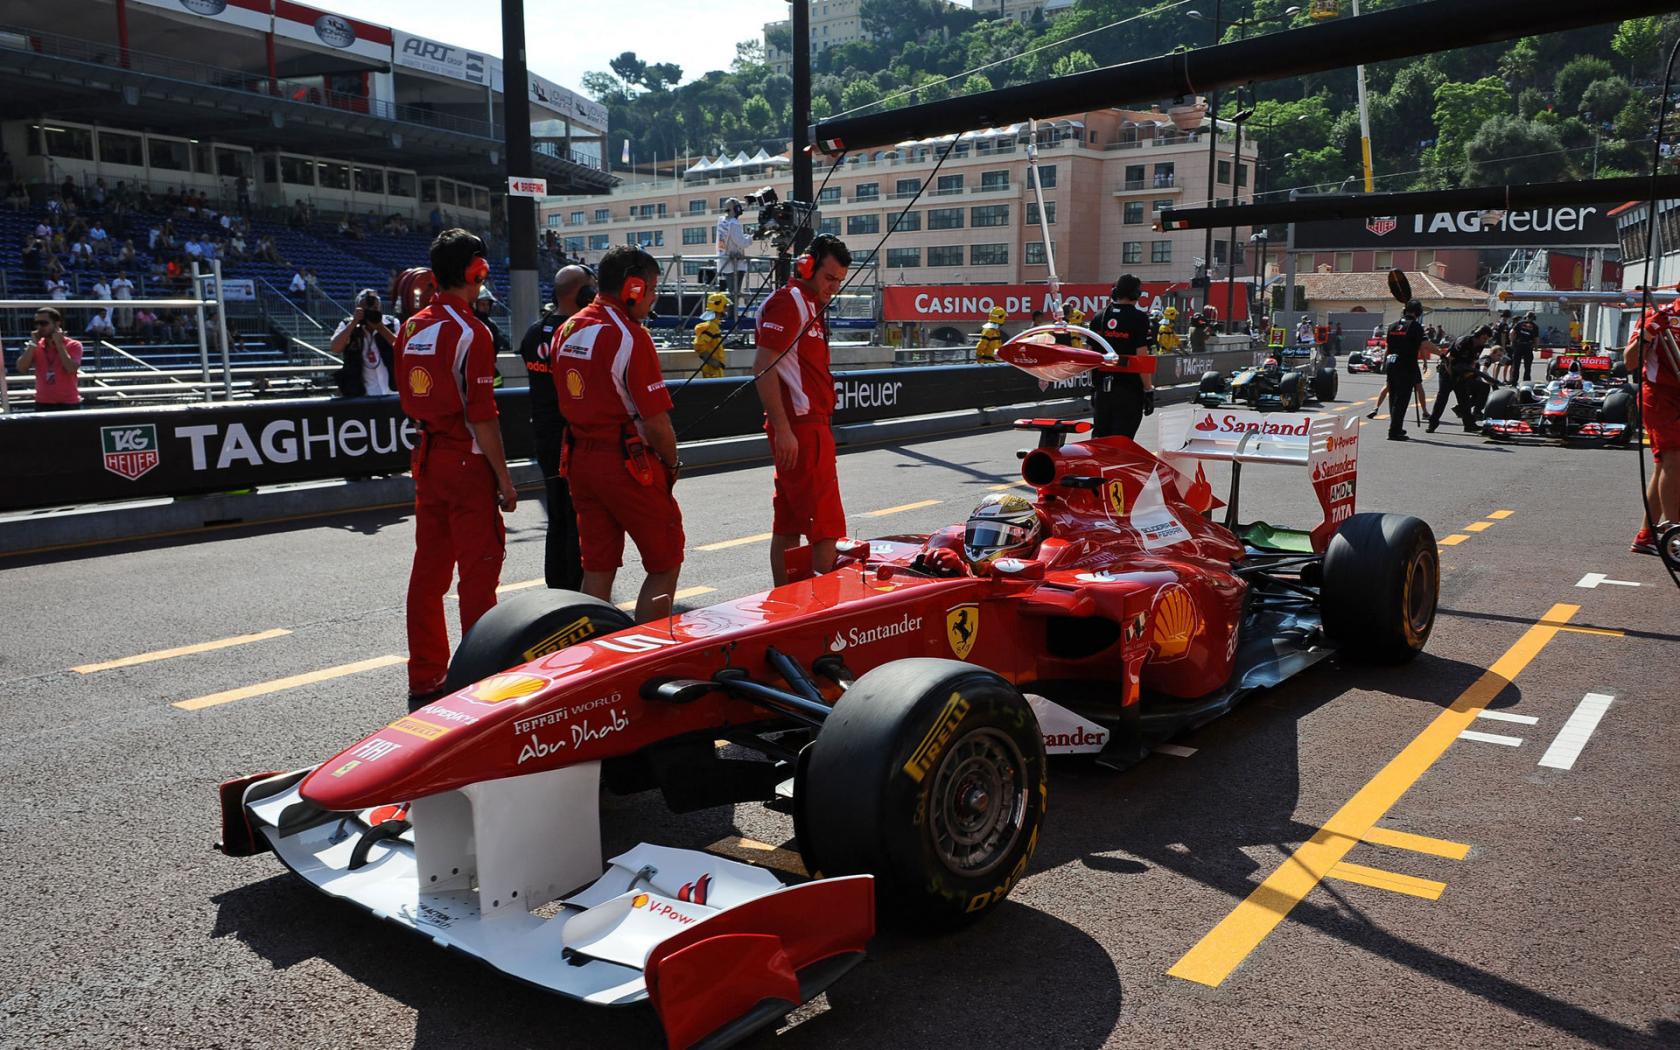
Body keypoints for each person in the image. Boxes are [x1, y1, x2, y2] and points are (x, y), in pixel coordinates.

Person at [396, 229, 518, 706]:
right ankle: (478, 678)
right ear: (476, 271)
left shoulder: (411, 327)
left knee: (428, 575)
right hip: (467, 462)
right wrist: (504, 479)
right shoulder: (472, 331)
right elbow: (482, 416)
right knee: (478, 575)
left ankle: (426, 676)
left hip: (428, 458)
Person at [552, 246, 684, 621]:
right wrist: (672, 463)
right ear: (633, 288)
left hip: (580, 461)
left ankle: (591, 649)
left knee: (597, 567)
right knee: (665, 561)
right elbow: (657, 423)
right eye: (652, 289)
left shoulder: (567, 328)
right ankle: (652, 649)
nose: (653, 298)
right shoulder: (630, 336)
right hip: (626, 464)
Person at [755, 233, 852, 586]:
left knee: (788, 523)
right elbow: (763, 366)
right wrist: (783, 428)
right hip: (803, 427)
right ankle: (820, 607)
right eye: (829, 278)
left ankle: (786, 600)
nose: (834, 287)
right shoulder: (790, 301)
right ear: (807, 266)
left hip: (805, 426)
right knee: (826, 528)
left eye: (839, 281)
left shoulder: (810, 304)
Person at [518, 264, 593, 591]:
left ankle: (557, 587)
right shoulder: (579, 334)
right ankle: (577, 590)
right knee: (578, 516)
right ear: (584, 293)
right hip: (574, 438)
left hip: (545, 436)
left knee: (557, 515)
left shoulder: (534, 333)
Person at [1625, 302, 1680, 555]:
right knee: (1675, 459)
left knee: (1665, 467)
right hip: (1660, 397)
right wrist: (1648, 333)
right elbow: (1629, 362)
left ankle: (1646, 535)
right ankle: (1675, 535)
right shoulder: (1657, 314)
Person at [914, 493, 1047, 577]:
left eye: (994, 536)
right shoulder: (953, 541)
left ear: (1025, 536)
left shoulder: (1047, 567)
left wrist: (964, 574)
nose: (980, 544)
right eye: (979, 534)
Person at [1092, 273, 1155, 439]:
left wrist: (1094, 387)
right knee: (1122, 441)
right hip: (1129, 390)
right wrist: (1148, 389)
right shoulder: (1139, 318)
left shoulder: (1099, 316)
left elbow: (1090, 354)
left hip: (1102, 389)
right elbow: (1142, 358)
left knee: (1100, 440)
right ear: (1136, 294)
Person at [1381, 299, 1438, 441]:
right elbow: (1425, 344)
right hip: (1406, 366)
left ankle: (1396, 426)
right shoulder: (1415, 326)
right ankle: (1394, 431)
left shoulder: (1392, 326)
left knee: (1393, 398)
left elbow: (1388, 347)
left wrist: (1384, 363)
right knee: (1401, 400)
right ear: (1418, 312)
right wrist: (1442, 354)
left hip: (1391, 364)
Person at [330, 288, 398, 397]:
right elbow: (335, 348)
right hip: (360, 395)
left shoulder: (391, 323)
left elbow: (401, 348)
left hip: (392, 392)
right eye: (366, 308)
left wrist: (380, 327)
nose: (370, 310)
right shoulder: (348, 324)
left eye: (374, 307)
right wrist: (354, 323)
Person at [1427, 324, 1493, 434]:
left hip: (1461, 373)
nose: (1485, 341)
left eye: (1487, 339)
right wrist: (1452, 376)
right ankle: (1432, 424)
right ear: (1478, 335)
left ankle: (1469, 425)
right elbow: (1449, 359)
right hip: (1447, 370)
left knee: (1464, 399)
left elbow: (1473, 362)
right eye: (1484, 338)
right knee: (1442, 398)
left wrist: (1467, 374)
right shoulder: (1464, 341)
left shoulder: (1480, 346)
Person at [17, 307, 83, 411]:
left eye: (43, 323)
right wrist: (33, 344)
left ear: (57, 324)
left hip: (69, 403)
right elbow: (21, 368)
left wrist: (59, 345)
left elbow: (71, 369)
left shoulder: (73, 345)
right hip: (43, 403)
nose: (39, 327)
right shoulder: (35, 345)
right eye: (36, 323)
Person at [715, 198, 752, 305]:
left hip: (725, 262)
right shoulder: (733, 224)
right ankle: (733, 313)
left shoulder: (722, 221)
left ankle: (731, 312)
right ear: (735, 209)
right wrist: (751, 237)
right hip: (735, 264)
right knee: (734, 294)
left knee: (731, 293)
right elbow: (741, 243)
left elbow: (731, 240)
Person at [693, 290, 731, 377]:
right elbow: (698, 345)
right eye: (725, 306)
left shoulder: (714, 325)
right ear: (719, 307)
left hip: (715, 369)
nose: (726, 309)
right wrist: (712, 362)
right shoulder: (711, 326)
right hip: (712, 371)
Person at [1510, 311, 1540, 382]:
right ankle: (1526, 382)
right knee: (1527, 366)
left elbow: (1511, 333)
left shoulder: (1519, 323)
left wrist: (1512, 342)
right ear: (1533, 318)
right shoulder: (1535, 326)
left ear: (1526, 317)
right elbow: (1536, 338)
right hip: (1528, 347)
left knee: (1516, 365)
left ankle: (1514, 382)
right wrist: (1536, 347)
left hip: (1518, 346)